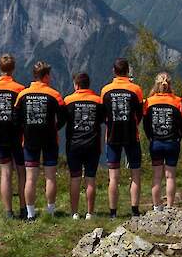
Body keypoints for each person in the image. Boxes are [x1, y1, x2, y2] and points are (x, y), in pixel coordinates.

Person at [15, 61, 66, 220]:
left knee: (30, 178)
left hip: (30, 139)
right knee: (50, 176)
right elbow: (64, 117)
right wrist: (55, 128)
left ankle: (30, 214)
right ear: (45, 76)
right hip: (50, 139)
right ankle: (50, 212)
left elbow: (15, 119)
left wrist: (26, 128)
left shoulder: (22, 95)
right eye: (49, 75)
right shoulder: (54, 94)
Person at [101, 58, 145, 218]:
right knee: (135, 173)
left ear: (114, 71)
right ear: (128, 71)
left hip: (112, 136)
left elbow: (103, 114)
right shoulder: (136, 89)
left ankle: (113, 212)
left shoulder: (105, 90)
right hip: (131, 134)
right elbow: (140, 113)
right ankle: (135, 209)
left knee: (113, 176)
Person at [0, 54, 27, 219]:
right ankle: (24, 208)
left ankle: (8, 211)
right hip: (17, 134)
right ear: (13, 68)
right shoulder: (20, 89)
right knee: (21, 172)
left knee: (5, 173)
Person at [63, 73, 104, 219]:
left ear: (76, 85)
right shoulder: (98, 100)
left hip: (73, 144)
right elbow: (101, 119)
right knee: (90, 177)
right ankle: (90, 213)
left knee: (75, 177)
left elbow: (63, 120)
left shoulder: (68, 100)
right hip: (93, 144)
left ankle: (74, 213)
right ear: (88, 84)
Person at [143, 72, 182, 210]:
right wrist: (178, 137)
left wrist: (150, 136)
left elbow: (145, 124)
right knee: (170, 176)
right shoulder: (177, 101)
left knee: (156, 176)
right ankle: (169, 206)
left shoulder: (149, 102)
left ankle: (156, 206)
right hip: (172, 142)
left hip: (156, 142)